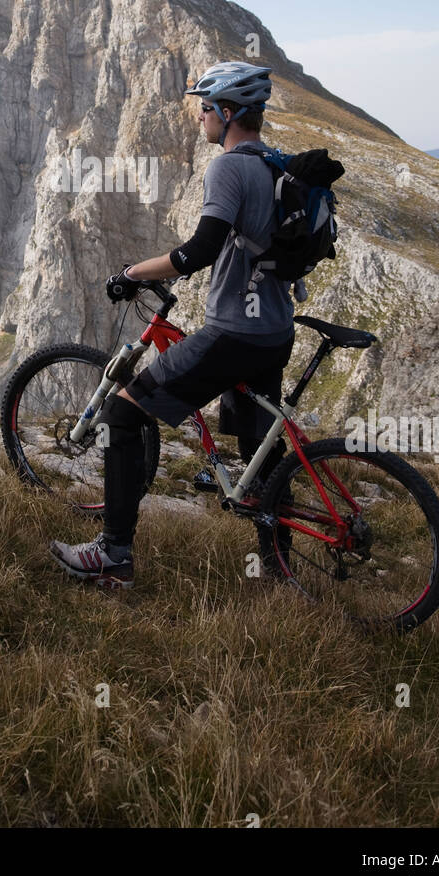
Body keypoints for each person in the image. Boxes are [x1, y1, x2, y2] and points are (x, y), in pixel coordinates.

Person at [49, 61, 297, 590]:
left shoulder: (228, 167)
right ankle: (280, 564)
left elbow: (198, 251)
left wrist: (133, 273)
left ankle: (113, 554)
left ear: (228, 114)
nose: (199, 118)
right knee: (261, 444)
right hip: (276, 329)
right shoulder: (277, 164)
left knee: (121, 410)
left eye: (205, 108)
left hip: (235, 333)